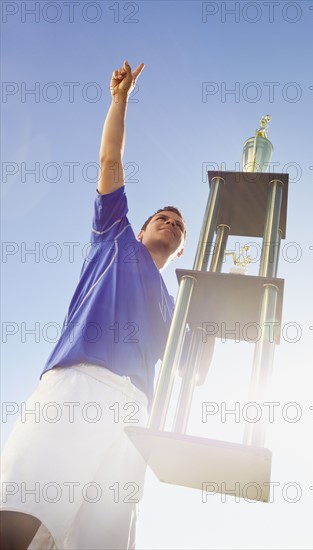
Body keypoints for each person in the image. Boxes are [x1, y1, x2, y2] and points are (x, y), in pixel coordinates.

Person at [0, 59, 186, 550]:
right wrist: (120, 99)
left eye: (179, 225)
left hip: (133, 417)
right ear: (141, 227)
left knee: (98, 539)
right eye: (162, 217)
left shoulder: (173, 306)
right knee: (22, 510)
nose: (170, 222)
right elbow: (109, 162)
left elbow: (191, 365)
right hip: (81, 382)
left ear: (181, 249)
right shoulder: (114, 236)